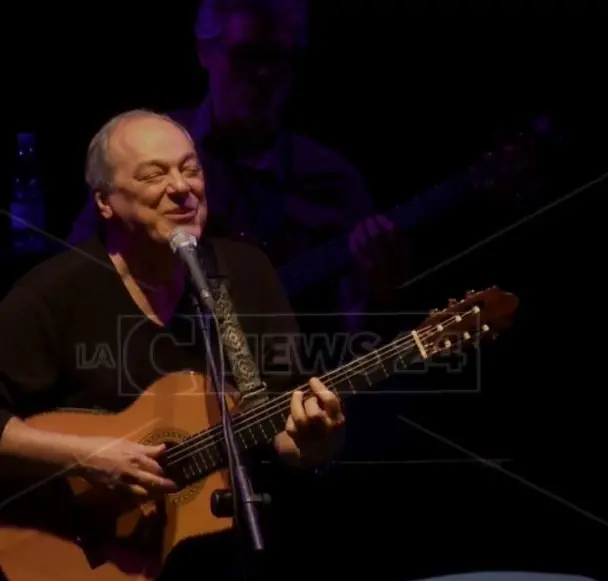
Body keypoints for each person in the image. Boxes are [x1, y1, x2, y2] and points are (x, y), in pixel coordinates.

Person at [0, 109, 345, 581]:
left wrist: (313, 444)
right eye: (154, 175)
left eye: (190, 170)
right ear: (105, 201)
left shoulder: (246, 275)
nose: (181, 187)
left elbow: (277, 427)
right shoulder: (54, 294)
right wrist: (87, 456)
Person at [67, 0, 403, 335]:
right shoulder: (146, 150)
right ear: (204, 52)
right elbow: (77, 272)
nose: (264, 75)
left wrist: (380, 286)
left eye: (279, 58)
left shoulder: (332, 181)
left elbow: (365, 333)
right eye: (247, 55)